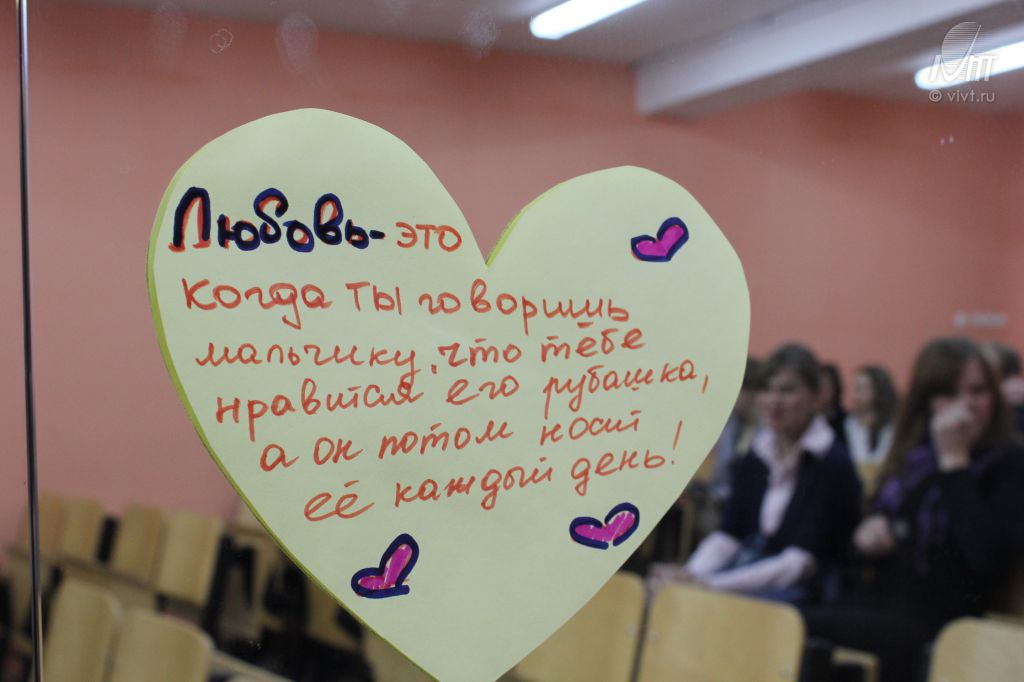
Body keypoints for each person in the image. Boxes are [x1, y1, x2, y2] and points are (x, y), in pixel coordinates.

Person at [803, 338, 1024, 682]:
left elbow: (987, 561)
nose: (966, 405)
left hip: (948, 624)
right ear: (927, 402)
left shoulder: (1009, 464)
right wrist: (864, 539)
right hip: (877, 604)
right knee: (794, 624)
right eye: (949, 393)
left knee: (801, 627)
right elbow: (859, 550)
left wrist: (955, 463)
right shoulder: (916, 459)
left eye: (978, 391)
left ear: (995, 397)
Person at [649, 343, 861, 605]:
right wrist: (690, 574)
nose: (773, 400)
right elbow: (729, 535)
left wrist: (708, 585)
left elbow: (800, 564)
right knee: (664, 592)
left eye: (787, 390)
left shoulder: (832, 462)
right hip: (750, 574)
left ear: (816, 396)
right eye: (766, 389)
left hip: (809, 591)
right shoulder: (758, 453)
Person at [843, 365, 898, 464]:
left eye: (861, 388)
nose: (855, 394)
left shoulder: (894, 424)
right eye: (855, 388)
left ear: (879, 390)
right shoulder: (848, 423)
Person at [819, 363, 848, 446]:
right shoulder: (806, 423)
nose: (821, 391)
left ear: (835, 388)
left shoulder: (848, 422)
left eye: (825, 385)